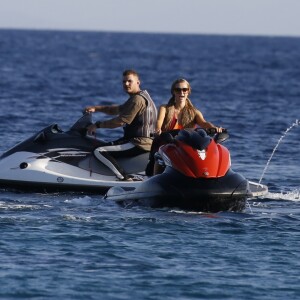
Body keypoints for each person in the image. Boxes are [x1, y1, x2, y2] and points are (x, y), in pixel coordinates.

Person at [86, 69, 157, 181]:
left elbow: (120, 121)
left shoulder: (137, 100)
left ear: (138, 82)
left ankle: (123, 178)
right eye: (124, 82)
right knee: (105, 146)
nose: (126, 84)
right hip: (143, 141)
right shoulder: (141, 96)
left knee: (99, 151)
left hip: (139, 143)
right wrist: (96, 108)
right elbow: (116, 110)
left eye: (129, 81)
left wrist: (97, 125)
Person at [145, 78, 222, 176]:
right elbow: (159, 121)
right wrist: (158, 129)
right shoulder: (164, 108)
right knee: (157, 155)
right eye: (178, 90)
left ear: (188, 91)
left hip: (186, 145)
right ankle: (154, 177)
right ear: (173, 92)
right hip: (169, 143)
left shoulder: (194, 112)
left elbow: (204, 123)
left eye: (184, 90)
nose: (181, 92)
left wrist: (214, 128)